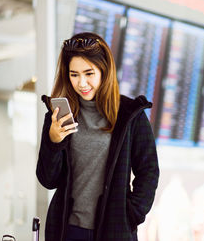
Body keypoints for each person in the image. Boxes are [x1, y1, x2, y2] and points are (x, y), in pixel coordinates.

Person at [36, 32, 159, 241]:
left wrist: (131, 214)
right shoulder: (59, 116)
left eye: (89, 73)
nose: (81, 83)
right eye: (74, 74)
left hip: (114, 231)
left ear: (104, 71)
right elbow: (48, 180)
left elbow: (149, 171)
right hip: (67, 231)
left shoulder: (131, 115)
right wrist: (54, 142)